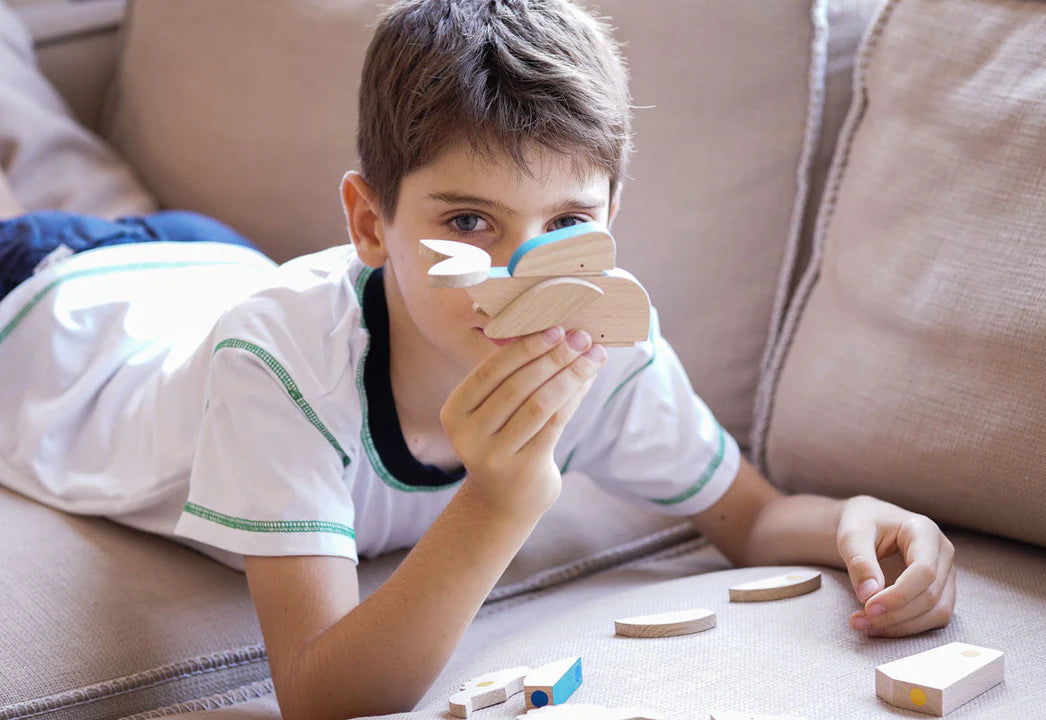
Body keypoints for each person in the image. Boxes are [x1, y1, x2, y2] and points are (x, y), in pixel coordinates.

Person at [0, 1, 957, 717]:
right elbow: (325, 691)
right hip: (58, 302)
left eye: (567, 226)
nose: (521, 277)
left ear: (610, 220)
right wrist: (499, 499)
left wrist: (858, 522)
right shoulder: (282, 362)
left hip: (202, 261)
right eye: (468, 223)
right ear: (371, 223)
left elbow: (752, 518)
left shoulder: (607, 347)